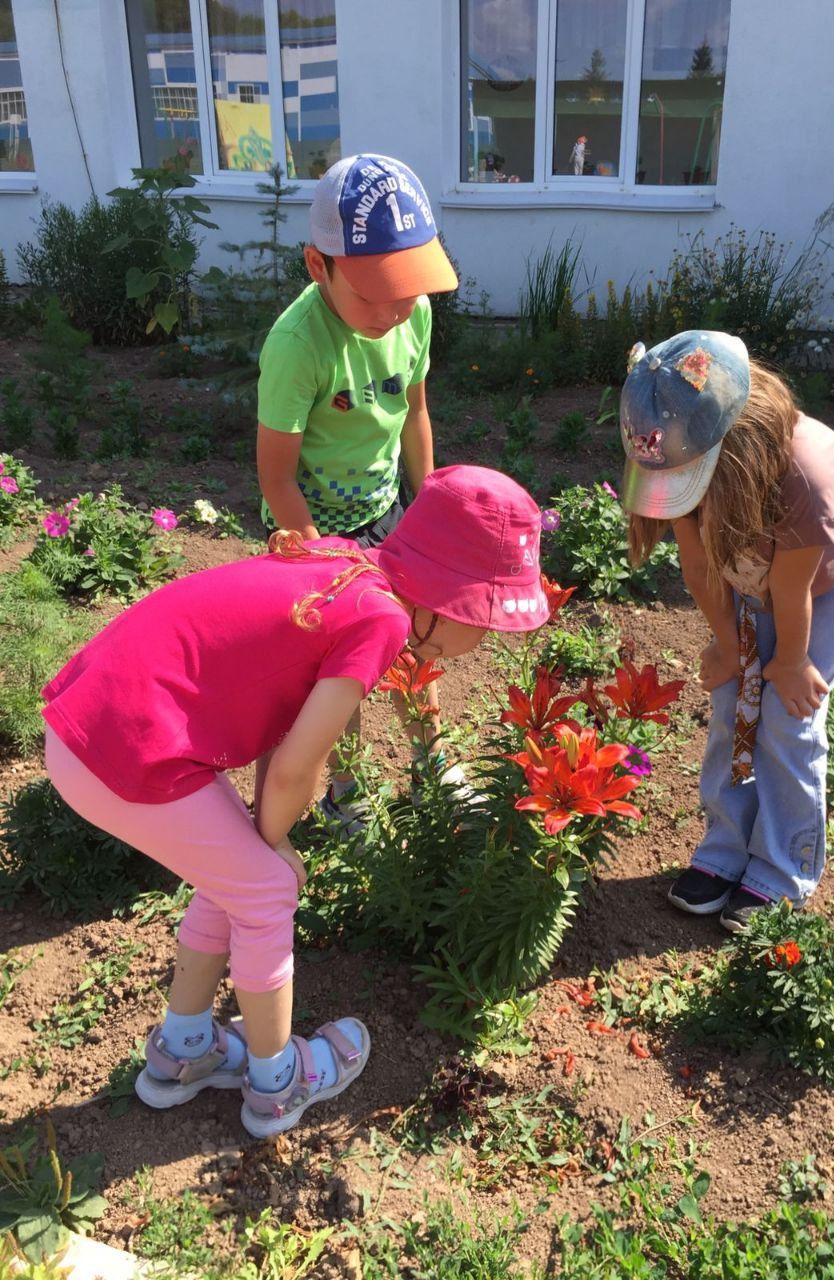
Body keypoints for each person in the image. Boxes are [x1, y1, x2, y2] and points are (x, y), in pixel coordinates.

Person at [42, 466, 550, 1137]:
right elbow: (295, 766)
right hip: (121, 746)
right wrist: (275, 841)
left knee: (236, 875)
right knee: (266, 888)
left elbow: (270, 708)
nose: (483, 641)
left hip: (105, 719)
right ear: (450, 597)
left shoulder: (344, 562)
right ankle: (276, 1083)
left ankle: (182, 1053)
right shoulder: (383, 620)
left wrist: (258, 836)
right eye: (485, 620)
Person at [619, 332, 834, 932]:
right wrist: (727, 646)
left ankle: (782, 868)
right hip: (753, 561)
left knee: (787, 718)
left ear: (729, 445)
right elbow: (697, 567)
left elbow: (792, 590)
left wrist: (788, 662)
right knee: (732, 703)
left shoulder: (802, 474)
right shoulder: (688, 452)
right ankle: (724, 850)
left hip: (832, 570)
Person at [256, 153, 460, 834]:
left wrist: (426, 504)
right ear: (319, 267)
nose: (395, 308)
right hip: (307, 531)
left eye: (408, 286)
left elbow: (416, 412)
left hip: (384, 514)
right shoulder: (297, 345)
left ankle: (432, 760)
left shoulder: (414, 317)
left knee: (410, 642)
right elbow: (276, 476)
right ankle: (347, 787)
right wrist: (320, 561)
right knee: (335, 668)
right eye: (375, 292)